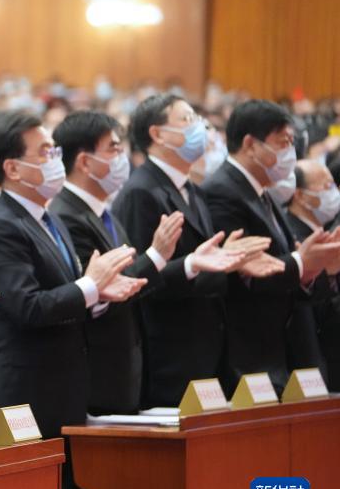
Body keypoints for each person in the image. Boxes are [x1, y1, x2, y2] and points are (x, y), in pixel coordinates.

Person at [0, 112, 145, 489]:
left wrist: (99, 295)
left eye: (55, 151)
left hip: (61, 390)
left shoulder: (47, 218)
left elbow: (67, 298)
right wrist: (90, 286)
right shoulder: (1, 225)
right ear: (12, 167)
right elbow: (27, 307)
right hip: (20, 397)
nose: (54, 160)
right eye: (45, 152)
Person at [50, 111, 244, 414]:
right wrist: (157, 256)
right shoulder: (67, 215)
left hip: (128, 369)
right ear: (85, 162)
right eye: (113, 149)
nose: (122, 157)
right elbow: (103, 290)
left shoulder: (102, 213)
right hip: (100, 371)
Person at [113, 94, 276, 407]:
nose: (199, 127)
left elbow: (204, 266)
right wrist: (193, 264)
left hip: (206, 347)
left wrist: (229, 262)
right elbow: (140, 281)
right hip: (168, 353)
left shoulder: (193, 190)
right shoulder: (141, 191)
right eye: (187, 119)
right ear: (157, 134)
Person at [202, 99, 340, 393]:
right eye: (283, 142)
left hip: (275, 352)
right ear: (251, 144)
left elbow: (283, 263)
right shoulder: (222, 191)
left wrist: (316, 269)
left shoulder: (261, 192)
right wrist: (302, 263)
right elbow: (245, 274)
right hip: (245, 355)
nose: (290, 152)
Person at [284, 159, 340, 388]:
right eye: (326, 186)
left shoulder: (325, 232)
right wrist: (329, 274)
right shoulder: (292, 236)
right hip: (312, 356)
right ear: (300, 195)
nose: (334, 192)